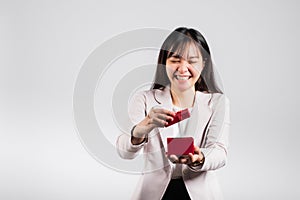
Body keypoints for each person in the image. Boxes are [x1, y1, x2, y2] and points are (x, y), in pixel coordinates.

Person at [116, 27, 230, 200]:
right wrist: (140, 131)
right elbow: (124, 152)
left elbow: (220, 152)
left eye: (192, 61)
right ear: (164, 62)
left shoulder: (216, 103)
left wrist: (199, 158)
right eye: (175, 60)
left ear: (204, 63)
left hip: (200, 192)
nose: (183, 68)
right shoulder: (145, 99)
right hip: (154, 193)